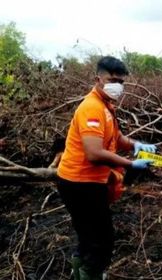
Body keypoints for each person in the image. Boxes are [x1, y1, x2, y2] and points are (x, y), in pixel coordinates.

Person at [56, 56, 154, 280]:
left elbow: (116, 137)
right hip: (80, 184)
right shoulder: (91, 108)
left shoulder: (105, 105)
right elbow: (94, 153)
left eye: (121, 82)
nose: (117, 86)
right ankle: (89, 275)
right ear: (97, 79)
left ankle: (79, 272)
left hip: (83, 182)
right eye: (112, 80)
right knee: (102, 241)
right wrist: (131, 164)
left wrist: (135, 144)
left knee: (87, 236)